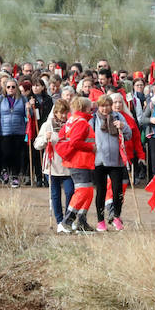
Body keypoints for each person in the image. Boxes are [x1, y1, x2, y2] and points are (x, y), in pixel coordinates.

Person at [91, 93, 134, 231]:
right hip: (99, 161)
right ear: (98, 107)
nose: (105, 109)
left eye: (108, 105)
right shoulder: (93, 120)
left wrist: (123, 126)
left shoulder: (118, 117)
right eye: (102, 106)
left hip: (116, 160)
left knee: (117, 190)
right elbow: (88, 136)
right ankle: (100, 221)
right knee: (101, 191)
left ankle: (116, 217)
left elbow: (128, 135)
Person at [56, 97, 98, 233]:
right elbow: (75, 142)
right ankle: (66, 221)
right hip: (80, 161)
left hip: (79, 161)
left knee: (88, 191)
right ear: (86, 108)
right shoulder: (81, 123)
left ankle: (81, 221)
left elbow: (63, 136)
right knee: (83, 191)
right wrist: (91, 148)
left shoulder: (72, 120)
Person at [35, 102, 75, 231]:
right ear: (55, 112)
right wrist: (45, 139)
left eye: (65, 112)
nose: (63, 115)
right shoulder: (47, 126)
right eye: (61, 112)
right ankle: (59, 221)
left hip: (68, 165)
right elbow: (37, 144)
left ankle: (68, 220)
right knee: (55, 195)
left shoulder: (71, 125)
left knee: (70, 193)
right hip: (52, 166)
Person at [0, 77, 29, 187]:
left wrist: (28, 108)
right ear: (5, 88)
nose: (11, 89)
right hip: (4, 131)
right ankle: (4, 171)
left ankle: (15, 176)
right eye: (8, 87)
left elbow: (29, 115)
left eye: (13, 87)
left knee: (17, 154)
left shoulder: (22, 99)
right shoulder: (1, 99)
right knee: (6, 153)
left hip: (19, 131)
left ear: (16, 88)